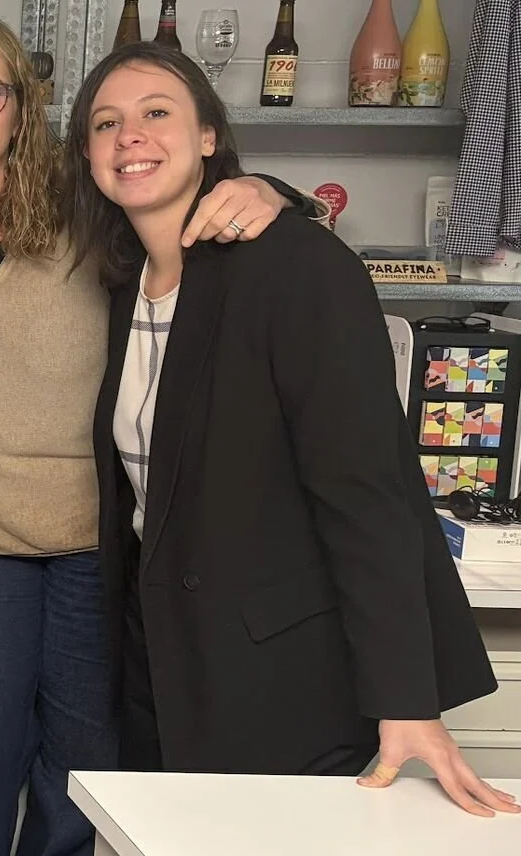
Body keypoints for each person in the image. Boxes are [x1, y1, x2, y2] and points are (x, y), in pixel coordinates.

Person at [0, 14, 306, 856]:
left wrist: (269, 190)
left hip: (104, 544)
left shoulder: (87, 211)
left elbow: (190, 200)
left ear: (23, 109)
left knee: (83, 759)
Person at [66, 41, 515, 816]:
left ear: (209, 135)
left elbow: (365, 493)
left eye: (156, 113)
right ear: (88, 155)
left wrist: (406, 700)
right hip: (162, 655)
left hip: (283, 671)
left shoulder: (297, 266)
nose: (129, 136)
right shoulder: (122, 282)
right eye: (106, 123)